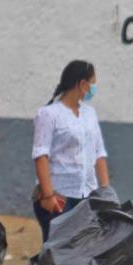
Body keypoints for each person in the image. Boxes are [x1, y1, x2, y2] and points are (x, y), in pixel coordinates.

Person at [32, 60, 110, 242]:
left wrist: (105, 192)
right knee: (57, 256)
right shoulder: (48, 114)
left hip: (86, 197)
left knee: (82, 254)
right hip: (59, 198)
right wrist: (48, 195)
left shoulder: (90, 113)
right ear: (82, 84)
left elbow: (99, 153)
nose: (93, 87)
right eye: (92, 82)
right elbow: (41, 156)